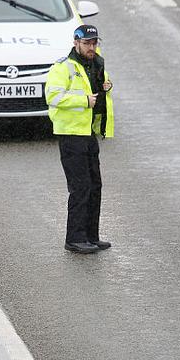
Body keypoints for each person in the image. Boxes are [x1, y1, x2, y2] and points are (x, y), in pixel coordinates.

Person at [44, 25, 115, 254]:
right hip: (70, 134)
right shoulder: (63, 67)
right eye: (87, 43)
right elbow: (52, 96)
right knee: (80, 187)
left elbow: (99, 90)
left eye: (94, 43)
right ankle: (74, 238)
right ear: (76, 42)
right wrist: (83, 100)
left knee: (95, 186)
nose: (91, 47)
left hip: (88, 133)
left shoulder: (96, 64)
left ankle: (91, 236)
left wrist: (107, 86)